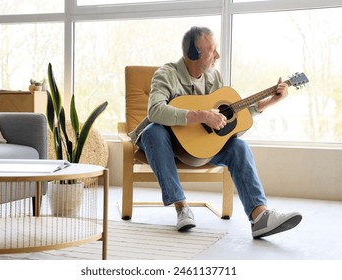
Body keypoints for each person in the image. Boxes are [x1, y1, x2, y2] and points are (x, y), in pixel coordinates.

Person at [128, 26, 302, 238]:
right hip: (166, 145)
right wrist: (201, 115)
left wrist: (269, 102)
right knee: (153, 131)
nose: (217, 55)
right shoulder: (166, 74)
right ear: (193, 54)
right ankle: (182, 207)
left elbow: (231, 114)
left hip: (198, 148)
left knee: (239, 146)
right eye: (212, 50)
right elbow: (155, 111)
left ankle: (260, 217)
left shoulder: (213, 77)